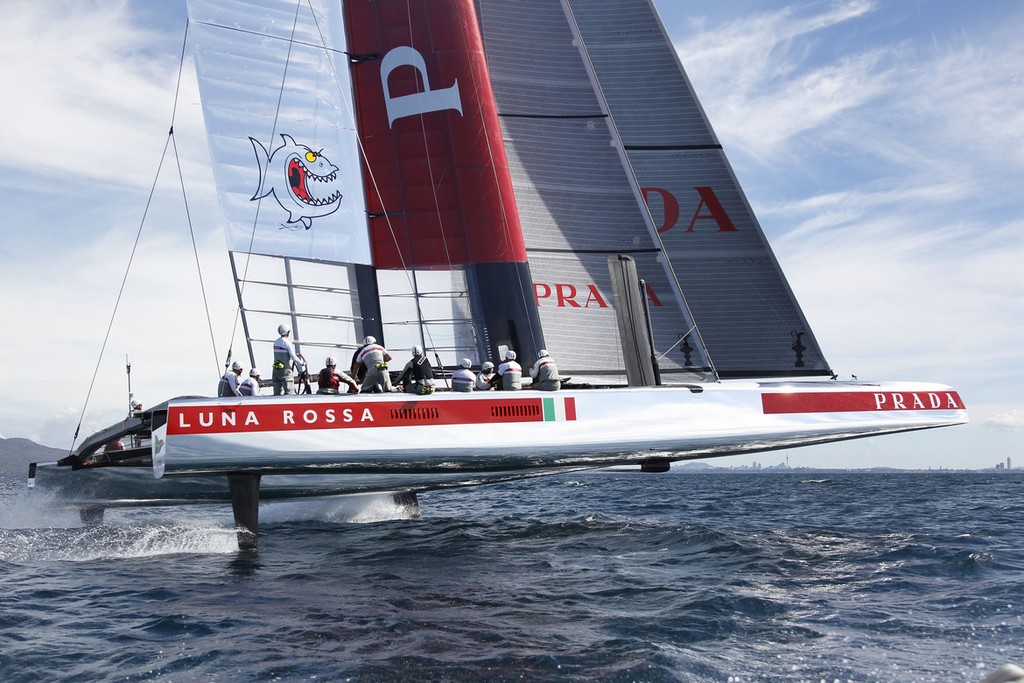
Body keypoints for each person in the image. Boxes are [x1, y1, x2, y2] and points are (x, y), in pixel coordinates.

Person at [272, 323, 306, 395]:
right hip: (285, 371)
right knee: (289, 393)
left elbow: (281, 354)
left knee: (276, 393)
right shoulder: (287, 342)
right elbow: (293, 357)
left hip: (276, 369)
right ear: (288, 332)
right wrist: (302, 363)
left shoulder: (276, 342)